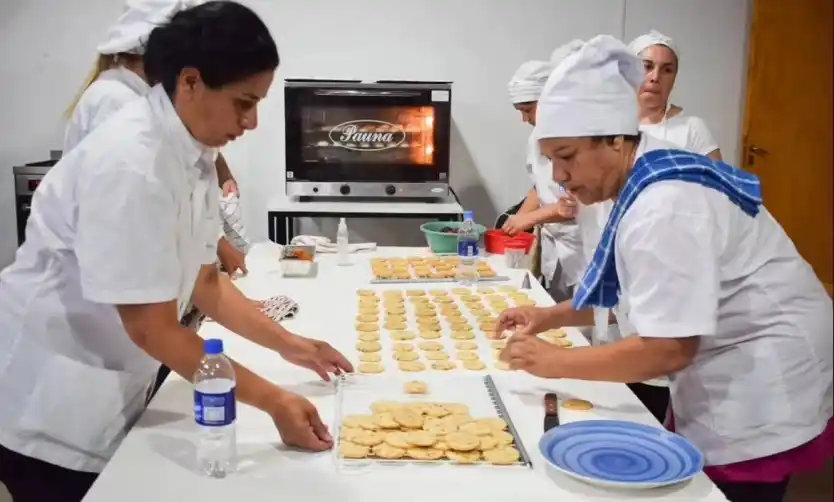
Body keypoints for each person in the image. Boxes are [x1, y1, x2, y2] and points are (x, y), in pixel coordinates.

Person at [0, 3, 353, 501]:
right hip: (53, 406)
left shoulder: (192, 154)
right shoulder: (131, 163)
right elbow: (153, 328)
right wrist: (274, 400)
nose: (252, 122)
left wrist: (291, 344)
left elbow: (206, 282)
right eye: (243, 102)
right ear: (190, 82)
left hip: (113, 383)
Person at [496, 35, 833, 502]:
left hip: (762, 368)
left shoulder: (666, 204)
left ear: (615, 140)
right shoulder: (642, 170)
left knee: (734, 491)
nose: (559, 177)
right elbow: (631, 289)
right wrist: (549, 316)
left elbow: (670, 347)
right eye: (552, 159)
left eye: (567, 156)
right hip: (736, 351)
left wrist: (555, 362)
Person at [64, 0, 249, 276]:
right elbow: (136, 211)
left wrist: (213, 242)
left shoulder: (146, 98)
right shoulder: (114, 101)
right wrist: (212, 249)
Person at [502, 41, 584, 301]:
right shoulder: (537, 137)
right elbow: (540, 186)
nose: (525, 119)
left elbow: (576, 202)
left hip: (584, 245)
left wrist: (530, 219)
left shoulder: (583, 138)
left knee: (587, 316)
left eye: (528, 110)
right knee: (556, 309)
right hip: (555, 245)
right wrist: (514, 225)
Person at [629, 30, 722, 161]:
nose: (655, 77)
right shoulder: (610, 126)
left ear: (674, 78)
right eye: (647, 66)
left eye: (667, 70)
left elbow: (716, 173)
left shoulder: (692, 129)